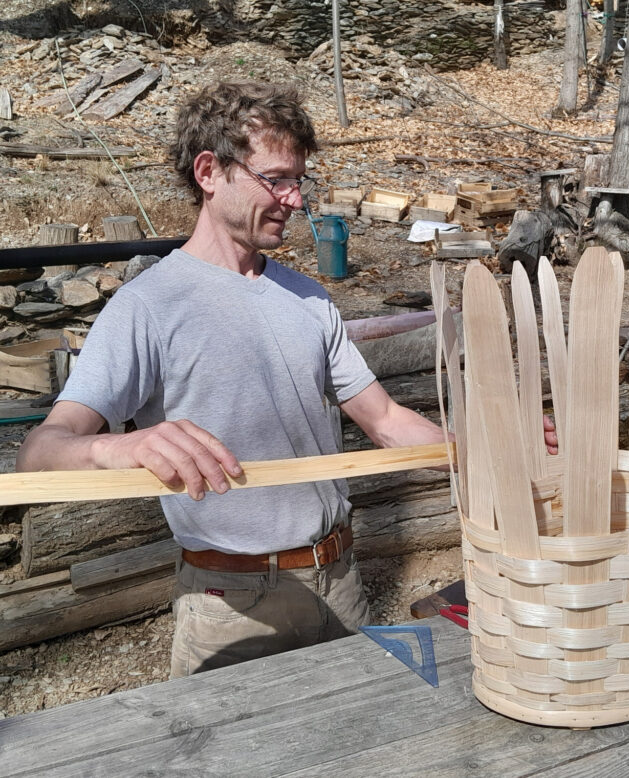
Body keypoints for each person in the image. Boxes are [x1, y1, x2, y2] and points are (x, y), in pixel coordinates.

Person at [15, 81, 559, 677]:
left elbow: (385, 421)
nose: (295, 200)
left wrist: (492, 449)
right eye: (275, 179)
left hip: (341, 580)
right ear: (208, 172)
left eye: (299, 180)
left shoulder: (308, 298)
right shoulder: (148, 306)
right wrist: (121, 446)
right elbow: (40, 456)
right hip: (232, 603)